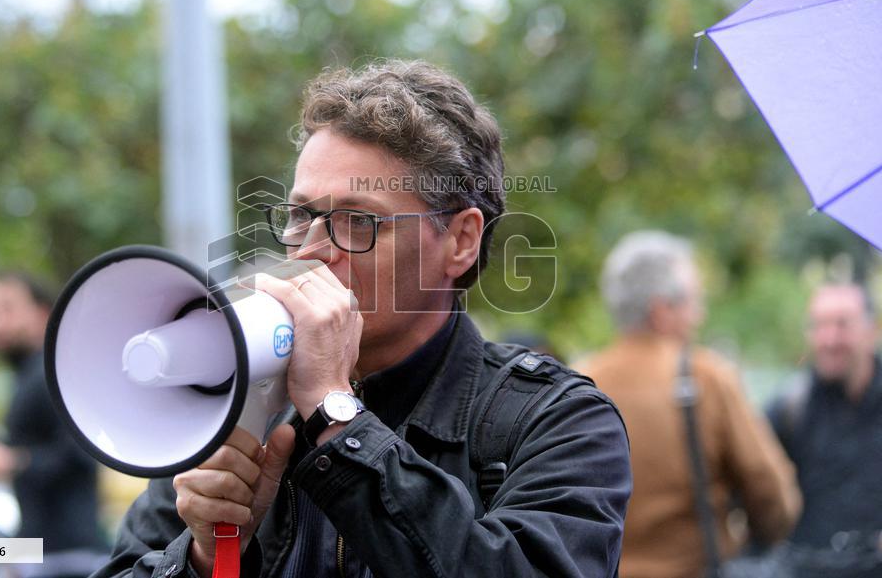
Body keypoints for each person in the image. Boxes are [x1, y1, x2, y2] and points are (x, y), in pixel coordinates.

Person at [96, 60, 632, 577]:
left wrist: (337, 418)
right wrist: (208, 557)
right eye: (301, 215)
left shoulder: (556, 419)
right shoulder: (235, 403)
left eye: (358, 221)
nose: (311, 250)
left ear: (461, 241)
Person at [578, 230, 800, 578]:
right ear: (661, 310)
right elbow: (770, 493)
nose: (700, 315)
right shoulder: (705, 377)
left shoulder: (580, 382)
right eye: (694, 302)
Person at [0, 273, 106, 578]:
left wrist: (10, 461)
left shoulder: (56, 374)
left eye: (6, 309)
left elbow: (81, 455)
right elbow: (35, 441)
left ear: (42, 313)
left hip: (68, 556)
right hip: (36, 549)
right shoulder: (26, 375)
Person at [766, 283, 882, 577]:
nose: (829, 339)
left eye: (842, 325)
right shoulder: (789, 409)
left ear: (872, 330)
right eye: (819, 326)